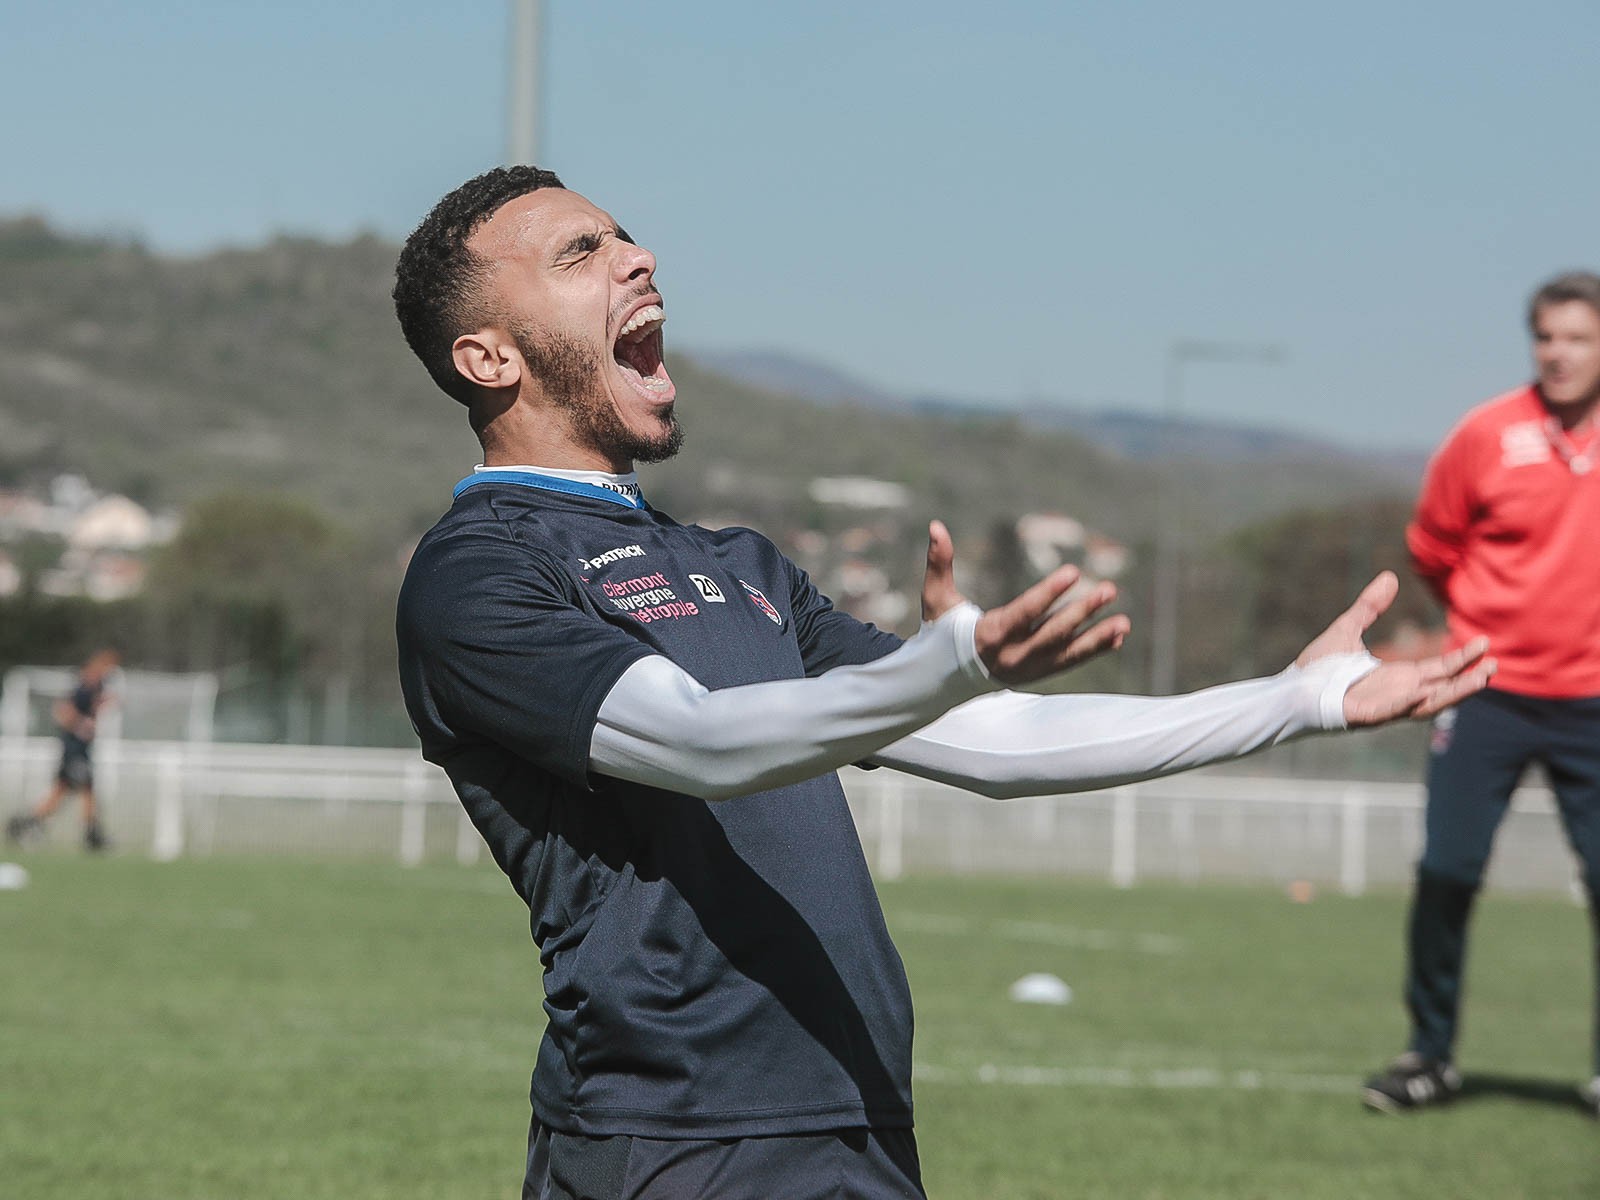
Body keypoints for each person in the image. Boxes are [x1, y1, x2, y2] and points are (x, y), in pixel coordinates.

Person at [392, 166, 1493, 1199]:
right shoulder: (481, 571)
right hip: (675, 1141)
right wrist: (946, 662)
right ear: (489, 359)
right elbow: (701, 744)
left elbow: (994, 742)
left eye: (625, 233)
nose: (637, 256)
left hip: (860, 1118)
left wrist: (1294, 700)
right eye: (582, 251)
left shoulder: (741, 566)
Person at [1361, 273, 1600, 1119]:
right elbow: (1432, 546)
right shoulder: (1488, 434)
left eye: (1577, 337)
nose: (1559, 353)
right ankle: (1428, 1055)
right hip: (1487, 691)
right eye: (1546, 336)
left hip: (1594, 703)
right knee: (1447, 870)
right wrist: (1479, 625)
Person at [5, 649, 119, 852]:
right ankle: (91, 834)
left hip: (82, 749)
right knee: (86, 788)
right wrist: (81, 724)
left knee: (61, 792)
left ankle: (27, 823)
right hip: (73, 749)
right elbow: (62, 712)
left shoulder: (97, 687)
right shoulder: (82, 688)